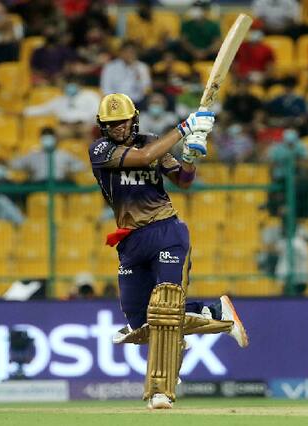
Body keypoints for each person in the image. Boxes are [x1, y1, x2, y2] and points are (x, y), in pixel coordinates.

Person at [89, 93, 248, 410]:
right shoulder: (100, 149)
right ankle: (215, 312)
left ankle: (162, 391)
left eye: (123, 122)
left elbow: (184, 180)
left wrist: (189, 157)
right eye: (111, 124)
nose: (118, 128)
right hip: (131, 240)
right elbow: (143, 157)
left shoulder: (152, 141)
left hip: (166, 231)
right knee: (139, 322)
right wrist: (185, 128)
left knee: (165, 309)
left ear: (133, 119)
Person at [24, 77, 101, 138]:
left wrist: (89, 123)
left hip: (84, 126)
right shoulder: (60, 100)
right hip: (66, 127)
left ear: (78, 84)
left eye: (72, 83)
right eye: (67, 84)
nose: (69, 86)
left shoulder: (90, 96)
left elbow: (97, 112)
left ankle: (93, 152)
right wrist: (24, 112)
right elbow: (43, 109)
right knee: (53, 134)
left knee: (92, 133)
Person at [10, 127, 85, 184]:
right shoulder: (34, 155)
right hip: (39, 183)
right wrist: (27, 169)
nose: (47, 140)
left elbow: (81, 165)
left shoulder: (63, 154)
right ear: (40, 139)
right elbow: (15, 164)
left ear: (55, 138)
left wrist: (70, 170)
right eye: (44, 137)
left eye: (49, 136)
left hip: (59, 182)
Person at [100, 41, 152, 109]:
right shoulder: (110, 67)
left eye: (131, 52)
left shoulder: (142, 67)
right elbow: (106, 87)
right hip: (115, 102)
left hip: (136, 101)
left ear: (136, 53)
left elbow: (145, 88)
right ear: (120, 52)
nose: (128, 55)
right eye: (126, 52)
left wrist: (137, 74)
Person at [234, 19, 276, 86]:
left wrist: (263, 77)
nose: (255, 32)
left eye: (257, 30)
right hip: (241, 78)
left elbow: (270, 67)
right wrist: (237, 76)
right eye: (253, 29)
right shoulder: (240, 47)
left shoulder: (267, 49)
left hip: (259, 78)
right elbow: (234, 64)